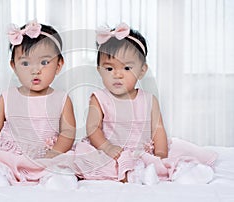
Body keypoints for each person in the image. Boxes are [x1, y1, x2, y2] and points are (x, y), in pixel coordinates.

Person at [74, 23, 217, 184]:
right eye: (109, 69)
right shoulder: (99, 98)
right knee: (89, 160)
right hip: (112, 152)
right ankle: (136, 175)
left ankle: (183, 171)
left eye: (127, 68)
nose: (118, 74)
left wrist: (161, 153)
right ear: (99, 70)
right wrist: (107, 147)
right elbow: (93, 129)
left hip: (142, 152)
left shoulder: (148, 99)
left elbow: (158, 129)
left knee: (169, 155)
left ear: (142, 70)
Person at [0, 20, 77, 187]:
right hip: (12, 155)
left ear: (59, 65)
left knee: (60, 166)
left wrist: (54, 154)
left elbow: (68, 133)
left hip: (47, 155)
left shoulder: (61, 99)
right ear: (14, 66)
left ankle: (57, 179)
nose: (35, 70)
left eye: (44, 62)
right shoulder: (7, 97)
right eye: (25, 63)